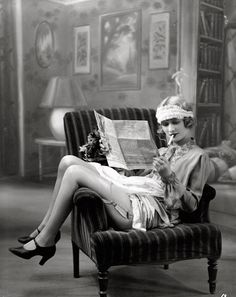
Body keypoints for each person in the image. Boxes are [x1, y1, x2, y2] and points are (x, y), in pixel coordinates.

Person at [9, 94, 212, 266]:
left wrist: (168, 176)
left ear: (188, 121)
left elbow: (193, 206)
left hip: (152, 211)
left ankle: (46, 241)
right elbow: (137, 179)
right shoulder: (163, 151)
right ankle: (43, 229)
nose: (170, 129)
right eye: (165, 124)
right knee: (67, 161)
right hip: (135, 195)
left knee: (74, 173)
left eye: (175, 122)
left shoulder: (199, 156)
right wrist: (117, 156)